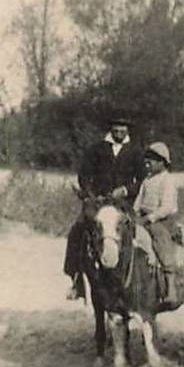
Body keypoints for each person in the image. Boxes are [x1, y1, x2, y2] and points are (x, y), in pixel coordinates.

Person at [64, 115, 147, 300]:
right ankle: (76, 279)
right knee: (77, 231)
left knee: (137, 233)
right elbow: (84, 175)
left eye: (122, 129)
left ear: (128, 130)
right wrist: (91, 193)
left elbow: (143, 180)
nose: (119, 132)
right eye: (115, 129)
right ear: (111, 129)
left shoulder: (136, 151)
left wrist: (126, 190)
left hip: (124, 204)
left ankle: (139, 279)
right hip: (98, 202)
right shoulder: (97, 149)